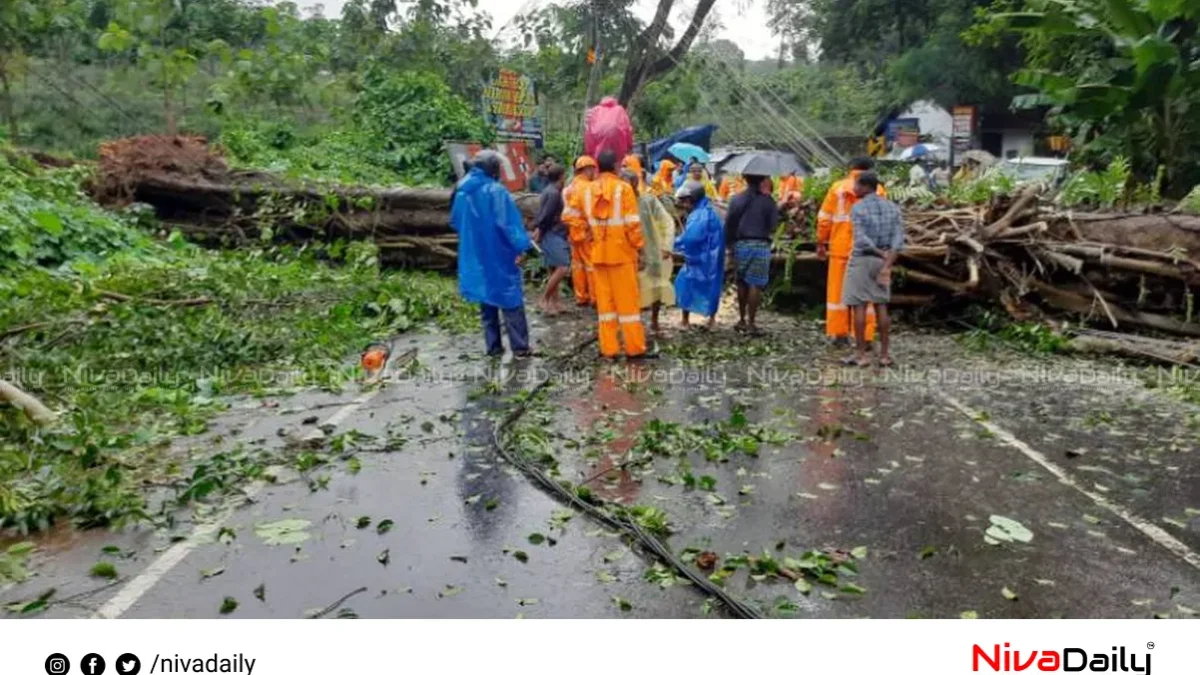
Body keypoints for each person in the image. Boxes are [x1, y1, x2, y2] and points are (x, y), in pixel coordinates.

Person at [450, 150, 535, 358]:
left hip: (475, 254)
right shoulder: (496, 191)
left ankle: (493, 347)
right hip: (499, 253)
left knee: (486, 298)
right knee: (510, 298)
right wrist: (523, 246)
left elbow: (455, 222)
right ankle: (520, 347)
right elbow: (508, 225)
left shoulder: (462, 191)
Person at [584, 150, 650, 359]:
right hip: (622, 256)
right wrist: (640, 249)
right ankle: (634, 348)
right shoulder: (624, 189)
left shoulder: (588, 191)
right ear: (615, 166)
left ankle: (609, 349)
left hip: (598, 256)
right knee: (628, 306)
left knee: (605, 307)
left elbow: (583, 223)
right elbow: (632, 224)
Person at [817, 156, 886, 347]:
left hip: (840, 249)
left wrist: (821, 242)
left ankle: (838, 334)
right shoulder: (878, 190)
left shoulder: (837, 188)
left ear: (851, 168)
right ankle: (864, 336)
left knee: (838, 294)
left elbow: (825, 218)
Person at [842, 171, 904, 367]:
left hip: (862, 260)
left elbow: (861, 240)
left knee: (858, 305)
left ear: (866, 187)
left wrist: (878, 252)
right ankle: (885, 355)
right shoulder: (893, 208)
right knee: (881, 305)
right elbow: (898, 239)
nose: (854, 188)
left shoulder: (858, 208)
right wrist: (887, 262)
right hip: (884, 262)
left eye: (857, 185)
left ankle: (861, 355)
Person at [725, 174, 779, 336]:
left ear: (745, 179)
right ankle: (752, 323)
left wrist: (730, 246)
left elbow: (729, 224)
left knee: (741, 282)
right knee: (755, 284)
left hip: (741, 244)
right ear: (762, 180)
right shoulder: (768, 201)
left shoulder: (737, 199)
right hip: (761, 244)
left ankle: (741, 319)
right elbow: (773, 226)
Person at [622, 169, 675, 334]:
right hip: (627, 254)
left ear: (634, 184)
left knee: (656, 287)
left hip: (651, 252)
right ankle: (632, 322)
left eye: (626, 183)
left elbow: (666, 221)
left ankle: (654, 321)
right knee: (629, 290)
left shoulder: (648, 201)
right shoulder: (618, 204)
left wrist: (667, 245)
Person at [673, 180, 725, 329]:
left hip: (699, 258)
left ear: (691, 200)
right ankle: (712, 320)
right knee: (713, 286)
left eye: (684, 202)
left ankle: (685, 321)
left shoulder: (698, 215)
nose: (683, 205)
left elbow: (691, 238)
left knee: (686, 283)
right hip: (714, 258)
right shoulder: (711, 210)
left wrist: (674, 244)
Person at [532, 163, 570, 315]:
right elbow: (546, 215)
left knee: (553, 268)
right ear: (561, 177)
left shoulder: (549, 190)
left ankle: (555, 303)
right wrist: (539, 229)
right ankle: (544, 298)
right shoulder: (554, 193)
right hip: (553, 233)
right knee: (563, 267)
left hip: (550, 232)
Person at [563, 156, 598, 307]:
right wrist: (590, 229)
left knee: (578, 266)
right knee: (591, 266)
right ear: (588, 169)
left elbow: (567, 215)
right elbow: (592, 213)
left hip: (573, 233)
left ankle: (581, 296)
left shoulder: (568, 189)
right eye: (593, 169)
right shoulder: (589, 188)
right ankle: (594, 297)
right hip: (586, 233)